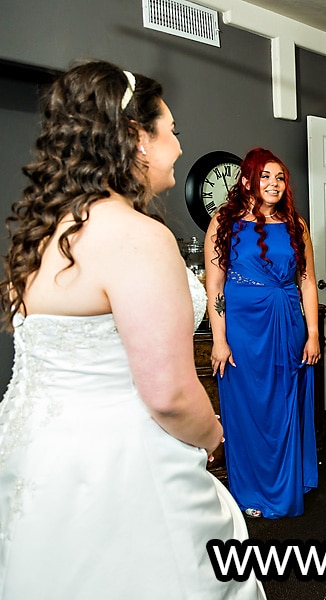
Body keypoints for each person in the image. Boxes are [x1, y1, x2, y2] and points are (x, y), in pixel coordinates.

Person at [0, 60, 263, 598]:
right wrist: (215, 436)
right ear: (137, 139)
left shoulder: (40, 233)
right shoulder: (137, 236)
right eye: (172, 131)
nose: (179, 148)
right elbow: (167, 393)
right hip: (120, 464)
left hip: (36, 456)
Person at [205, 147, 320, 519]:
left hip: (287, 321)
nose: (273, 183)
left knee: (284, 403)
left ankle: (287, 482)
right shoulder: (224, 221)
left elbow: (306, 281)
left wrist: (313, 333)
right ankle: (252, 489)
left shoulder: (295, 224)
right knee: (248, 407)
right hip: (242, 327)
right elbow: (216, 288)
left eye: (279, 177)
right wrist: (219, 339)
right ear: (247, 181)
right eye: (265, 176)